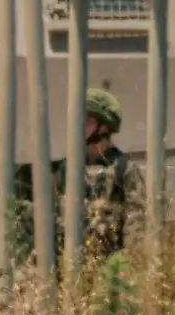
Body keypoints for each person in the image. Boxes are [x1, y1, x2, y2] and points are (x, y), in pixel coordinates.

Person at [53, 88, 145, 257]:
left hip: (110, 266)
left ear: (103, 128)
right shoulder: (67, 168)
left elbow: (136, 232)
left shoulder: (124, 170)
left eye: (87, 121)